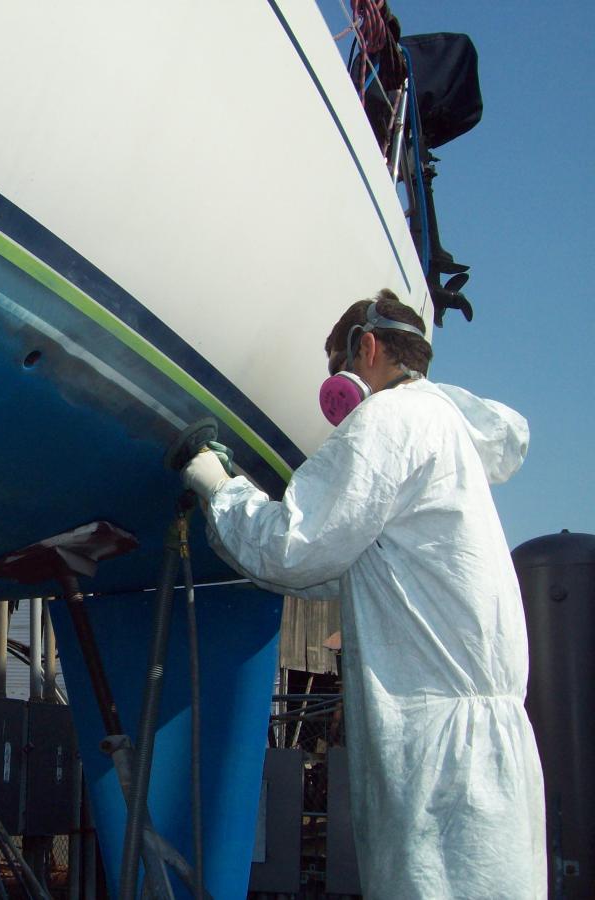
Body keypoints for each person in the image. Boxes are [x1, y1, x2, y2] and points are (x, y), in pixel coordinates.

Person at [182, 290, 546, 899]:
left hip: (438, 754)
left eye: (336, 369)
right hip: (484, 749)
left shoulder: (390, 419)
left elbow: (295, 548)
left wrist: (217, 486)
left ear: (367, 349)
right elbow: (333, 571)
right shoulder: (443, 436)